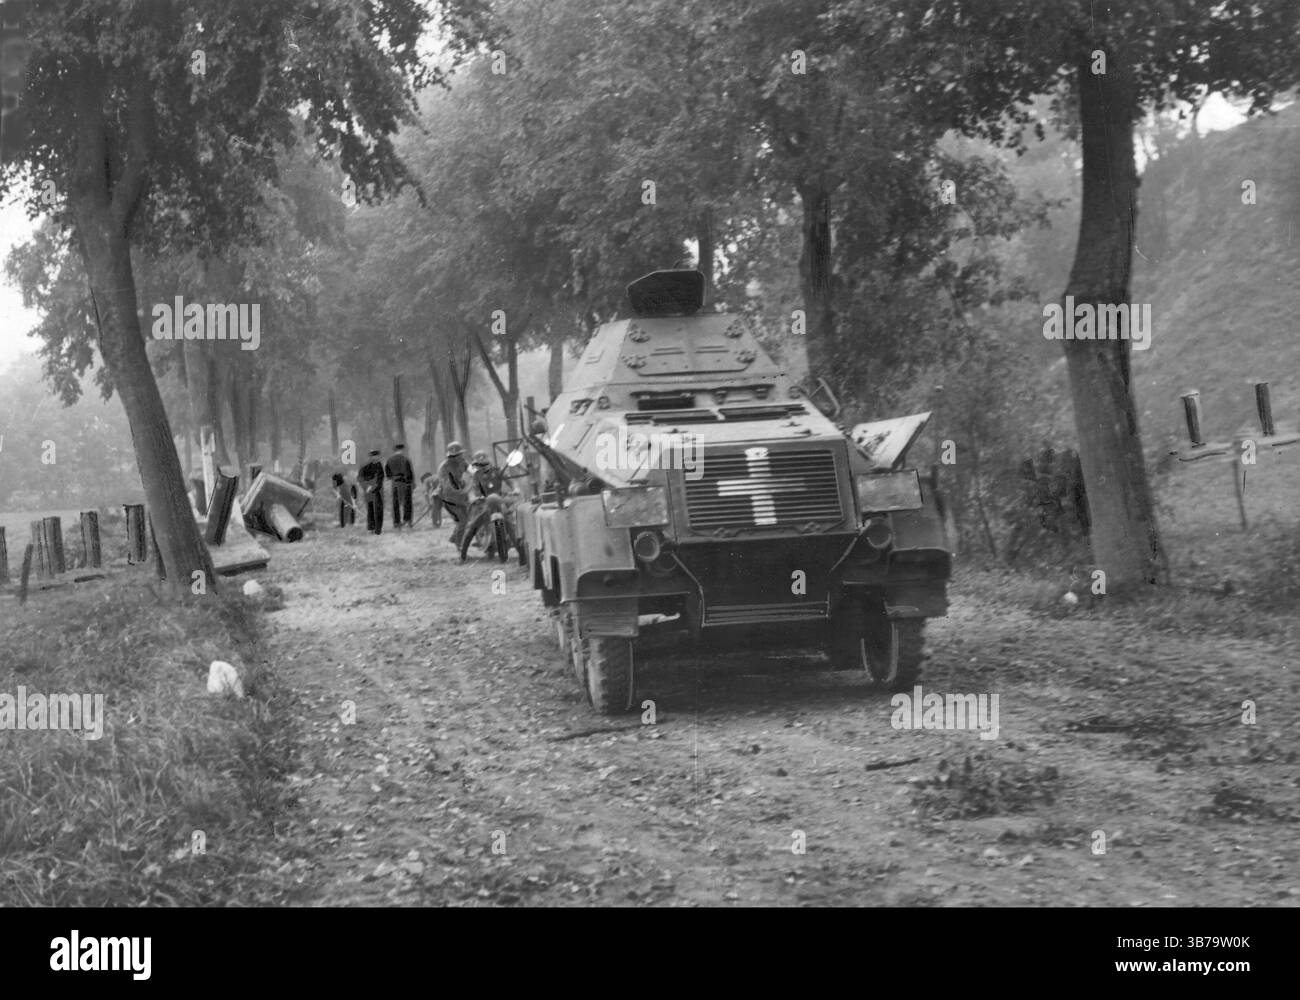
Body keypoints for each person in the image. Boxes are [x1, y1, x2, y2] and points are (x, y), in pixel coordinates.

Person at [436, 441, 470, 546]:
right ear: (451, 456)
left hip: (461, 496)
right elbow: (447, 486)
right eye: (457, 455)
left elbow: (472, 470)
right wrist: (463, 491)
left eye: (460, 454)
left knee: (467, 518)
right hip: (448, 498)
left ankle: (454, 537)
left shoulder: (462, 462)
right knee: (462, 521)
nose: (460, 457)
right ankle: (460, 548)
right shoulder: (444, 468)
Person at [385, 442, 415, 529]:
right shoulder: (406, 459)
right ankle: (408, 521)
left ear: (394, 451)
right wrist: (412, 484)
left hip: (395, 483)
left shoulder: (389, 460)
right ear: (402, 450)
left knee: (396, 503)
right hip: (406, 483)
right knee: (408, 502)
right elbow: (410, 473)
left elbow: (388, 475)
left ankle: (397, 523)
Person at [358, 449, 386, 534]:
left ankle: (378, 529)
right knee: (370, 508)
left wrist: (373, 487)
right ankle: (371, 528)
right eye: (374, 456)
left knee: (379, 509)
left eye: (377, 456)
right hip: (368, 490)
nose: (376, 457)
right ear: (371, 456)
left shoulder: (379, 465)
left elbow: (381, 478)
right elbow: (360, 478)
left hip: (377, 490)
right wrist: (366, 486)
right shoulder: (364, 466)